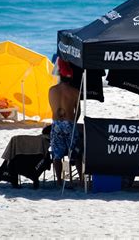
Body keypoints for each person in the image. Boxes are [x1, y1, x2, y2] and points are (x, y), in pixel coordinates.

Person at [48, 59, 82, 187]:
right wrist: (73, 121)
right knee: (75, 153)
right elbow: (78, 111)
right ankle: (80, 179)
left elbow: (52, 107)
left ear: (60, 76)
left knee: (57, 155)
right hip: (69, 123)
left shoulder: (51, 90)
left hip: (56, 122)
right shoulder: (75, 91)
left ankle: (59, 180)